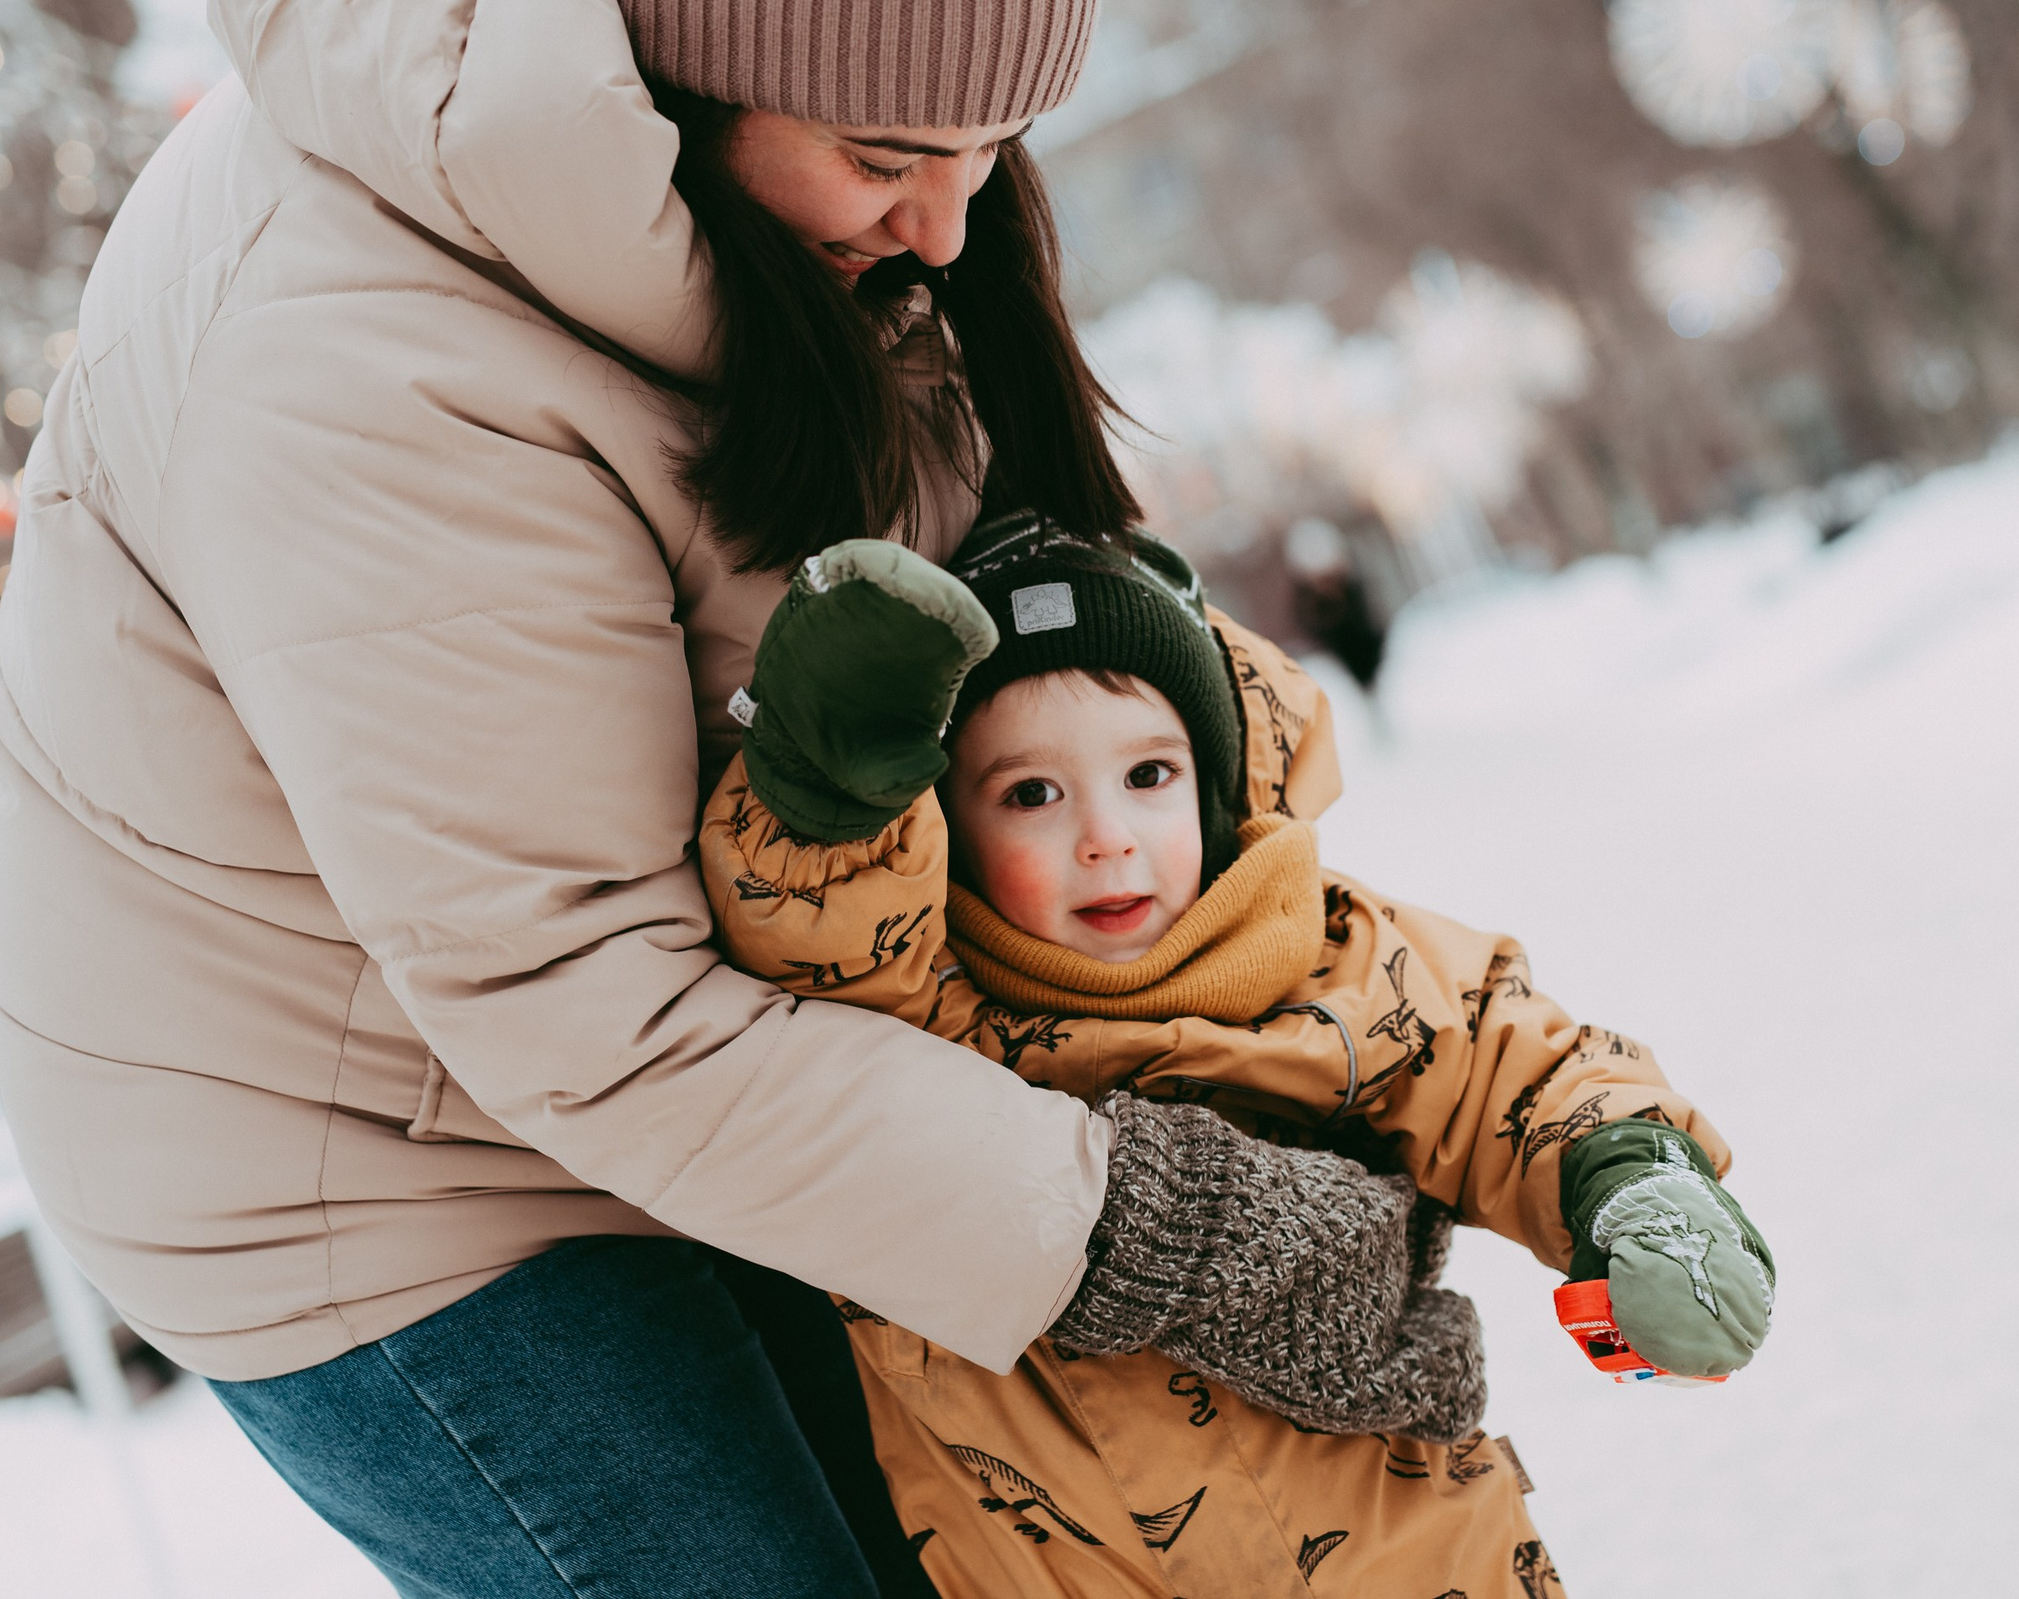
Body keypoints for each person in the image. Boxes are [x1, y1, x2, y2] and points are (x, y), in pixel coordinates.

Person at [0, 0, 1461, 1595]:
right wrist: (1161, 1229)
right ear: (689, 61)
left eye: (992, 149)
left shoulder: (767, 205)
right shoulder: (362, 358)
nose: (949, 226)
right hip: (366, 1163)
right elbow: (581, 1004)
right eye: (889, 155)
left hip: (672, 1030)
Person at [696, 513, 1778, 1596]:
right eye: (1031, 793)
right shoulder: (923, 1018)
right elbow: (810, 920)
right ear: (948, 832)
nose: (1106, 835)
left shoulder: (1320, 959)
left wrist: (1632, 1180)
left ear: (1212, 783)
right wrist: (827, 789)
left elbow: (1511, 1062)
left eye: (1148, 773)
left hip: (1425, 1562)